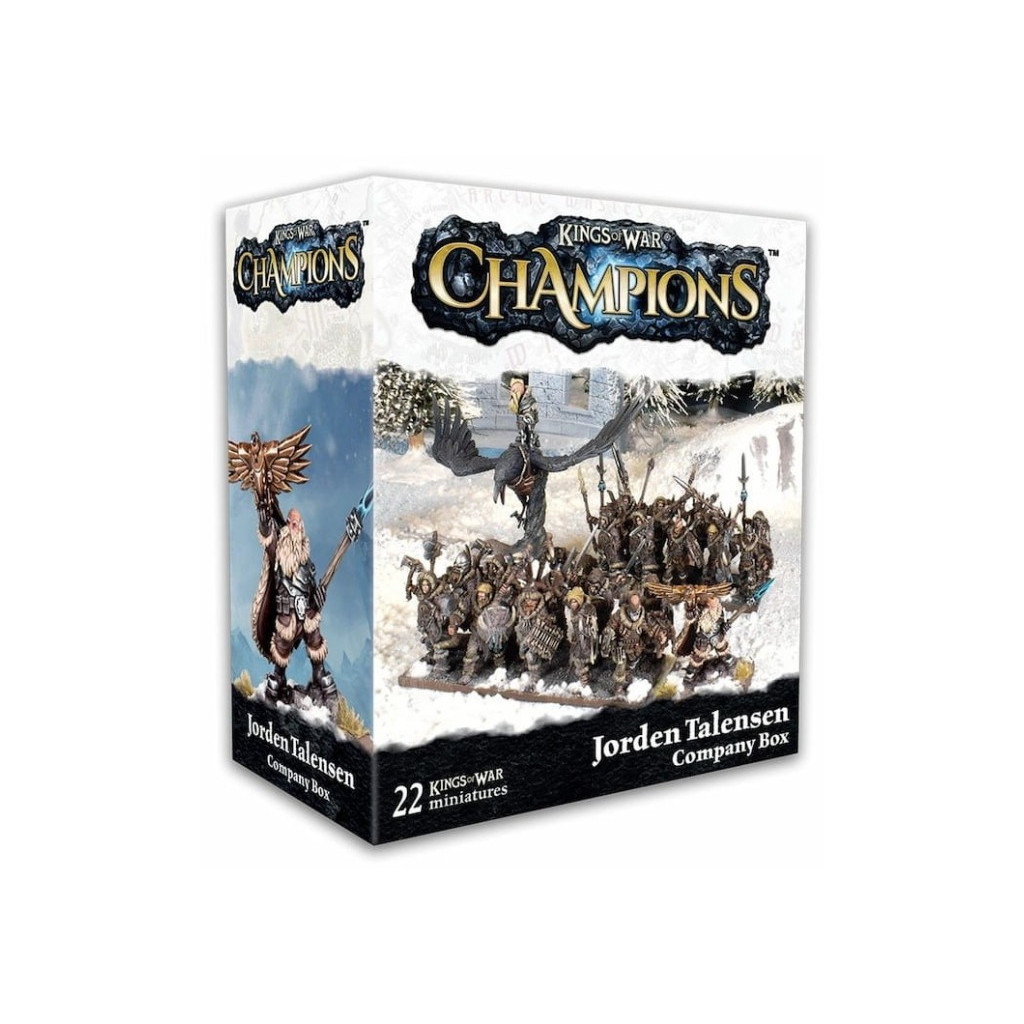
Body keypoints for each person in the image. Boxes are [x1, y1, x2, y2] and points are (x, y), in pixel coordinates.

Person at [254, 507, 336, 708]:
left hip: (306, 615)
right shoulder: (279, 553)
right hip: (287, 618)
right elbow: (268, 540)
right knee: (281, 656)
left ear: (301, 527)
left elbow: (311, 590)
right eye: (290, 522)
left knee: (315, 641)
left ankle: (319, 675)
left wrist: (318, 600)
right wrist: (264, 526)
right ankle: (276, 683)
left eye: (297, 523)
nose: (293, 526)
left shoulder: (307, 563)